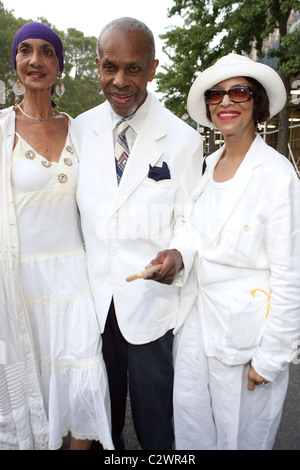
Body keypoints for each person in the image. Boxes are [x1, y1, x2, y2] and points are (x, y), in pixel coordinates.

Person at [149, 53, 300, 450]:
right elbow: (192, 233)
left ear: (256, 102)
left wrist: (271, 358)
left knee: (241, 440)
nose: (227, 102)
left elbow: (290, 276)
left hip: (248, 339)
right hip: (197, 326)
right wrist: (176, 254)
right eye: (217, 95)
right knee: (193, 432)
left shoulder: (276, 174)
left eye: (239, 92)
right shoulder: (207, 165)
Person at [70, 17, 203, 450]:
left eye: (134, 68)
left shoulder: (183, 139)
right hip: (94, 303)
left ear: (153, 68)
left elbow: (190, 219)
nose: (120, 81)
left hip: (150, 303)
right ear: (97, 66)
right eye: (110, 67)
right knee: (99, 423)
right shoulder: (79, 129)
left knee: (156, 427)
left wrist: (178, 254)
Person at [0, 22, 114, 451]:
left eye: (46, 52)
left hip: (74, 278)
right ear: (15, 62)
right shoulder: (1, 129)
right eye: (25, 50)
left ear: (59, 66)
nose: (35, 60)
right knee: (33, 383)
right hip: (18, 285)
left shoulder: (81, 129)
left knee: (83, 382)